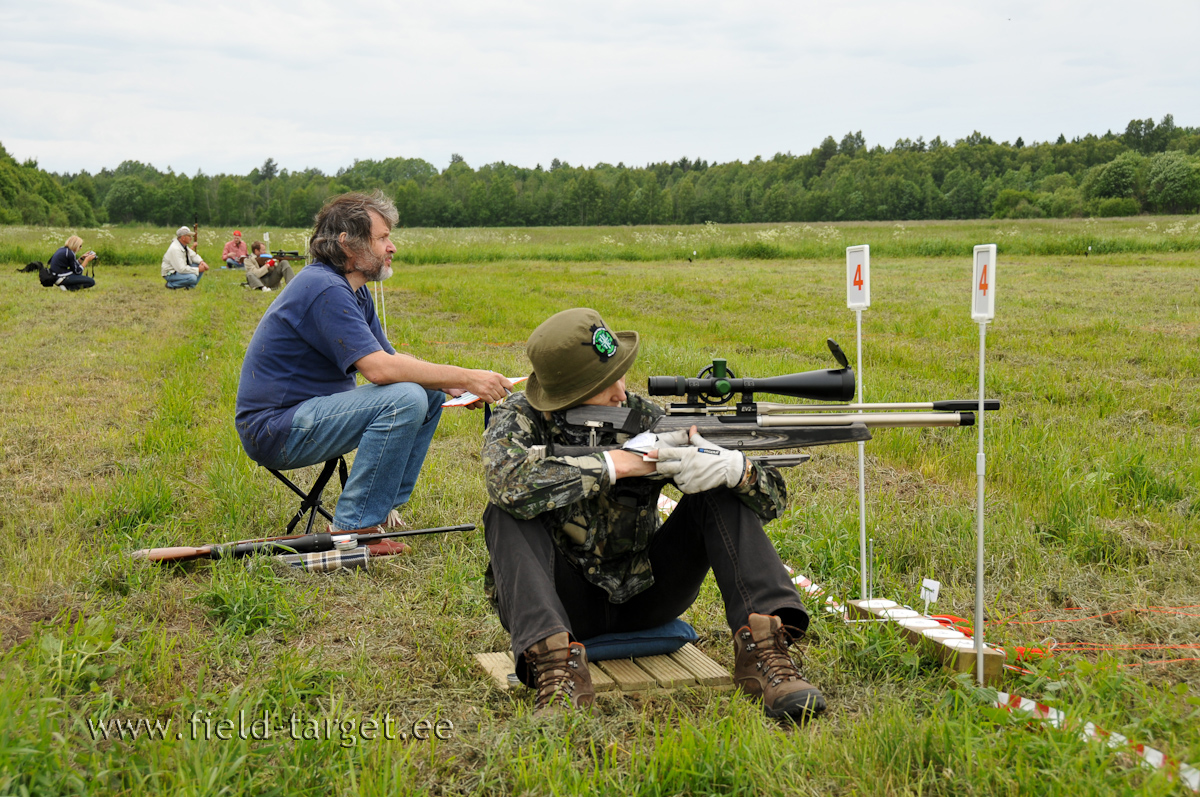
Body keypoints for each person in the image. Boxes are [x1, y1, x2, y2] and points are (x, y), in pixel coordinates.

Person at [482, 308, 826, 721]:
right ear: (565, 395)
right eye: (602, 385)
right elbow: (506, 481)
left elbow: (774, 501)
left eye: (620, 374)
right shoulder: (520, 417)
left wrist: (737, 470)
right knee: (504, 511)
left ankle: (766, 654)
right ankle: (557, 671)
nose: (620, 392)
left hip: (646, 594)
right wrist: (618, 464)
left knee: (718, 488)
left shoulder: (644, 418)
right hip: (559, 603)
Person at [235, 190, 512, 541]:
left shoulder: (354, 290)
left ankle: (383, 508)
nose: (391, 247)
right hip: (274, 430)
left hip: (307, 418)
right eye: (382, 238)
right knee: (406, 398)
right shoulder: (324, 287)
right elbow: (380, 371)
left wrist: (451, 384)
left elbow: (393, 359)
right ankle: (353, 527)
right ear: (347, 243)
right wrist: (467, 377)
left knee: (425, 395)